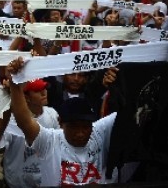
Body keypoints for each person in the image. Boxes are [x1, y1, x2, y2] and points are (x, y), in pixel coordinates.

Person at [7, 57, 119, 185]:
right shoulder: (50, 141)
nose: (80, 133)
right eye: (73, 127)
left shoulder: (99, 132)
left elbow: (127, 111)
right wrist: (14, 84)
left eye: (85, 127)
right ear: (60, 123)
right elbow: (24, 121)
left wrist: (117, 82)